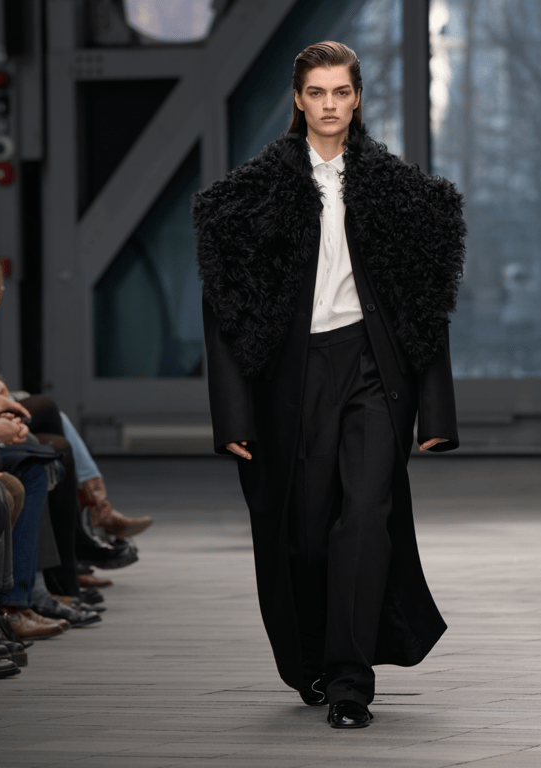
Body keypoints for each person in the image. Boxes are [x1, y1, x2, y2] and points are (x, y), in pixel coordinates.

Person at [194, 41, 465, 729]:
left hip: (373, 369)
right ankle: (313, 658)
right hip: (292, 375)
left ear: (358, 97)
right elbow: (224, 309)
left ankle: (351, 682)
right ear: (298, 98)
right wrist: (232, 417)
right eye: (317, 93)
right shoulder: (248, 199)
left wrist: (436, 412)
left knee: (366, 517)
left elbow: (424, 302)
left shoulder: (401, 194)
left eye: (341, 92)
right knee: (307, 534)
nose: (329, 105)